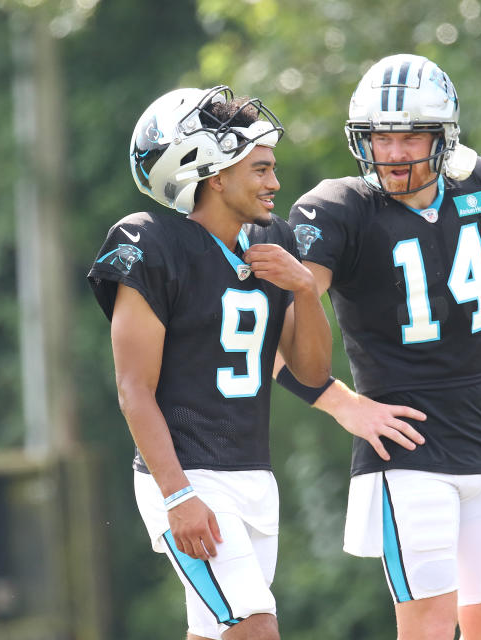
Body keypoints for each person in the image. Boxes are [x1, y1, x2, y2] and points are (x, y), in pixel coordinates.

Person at [283, 54, 481, 640]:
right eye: (380, 137)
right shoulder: (339, 209)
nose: (393, 152)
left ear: (443, 137)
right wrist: (341, 403)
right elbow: (279, 334)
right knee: (426, 626)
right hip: (409, 446)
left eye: (409, 136)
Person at [87, 86, 331, 640]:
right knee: (255, 628)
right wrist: (177, 495)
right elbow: (134, 391)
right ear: (215, 174)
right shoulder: (151, 244)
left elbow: (312, 373)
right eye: (261, 169)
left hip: (253, 472)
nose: (274, 183)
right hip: (187, 473)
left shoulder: (277, 242)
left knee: (215, 633)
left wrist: (307, 292)